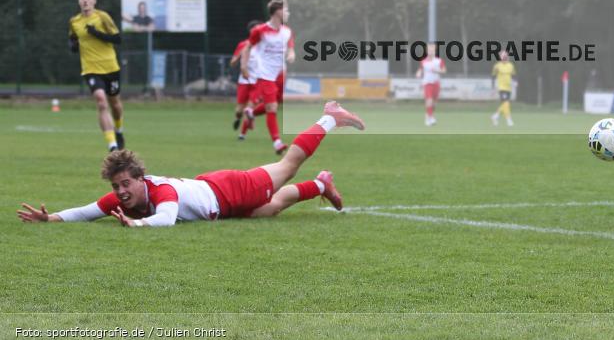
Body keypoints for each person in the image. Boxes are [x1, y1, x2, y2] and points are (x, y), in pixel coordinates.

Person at [17, 102, 365, 226]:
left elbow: (167, 220)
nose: (120, 192)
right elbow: (87, 211)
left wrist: (136, 226)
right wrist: (51, 218)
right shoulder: (125, 198)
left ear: (140, 179)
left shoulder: (161, 192)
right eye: (116, 186)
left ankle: (330, 118)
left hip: (229, 190)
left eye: (126, 184)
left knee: (288, 165)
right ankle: (321, 185)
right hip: (218, 198)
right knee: (270, 210)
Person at [68, 0, 126, 152]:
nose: (85, 0)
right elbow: (72, 40)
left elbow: (118, 38)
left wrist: (95, 33)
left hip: (110, 67)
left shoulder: (103, 17)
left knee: (115, 104)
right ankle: (112, 144)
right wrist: (73, 45)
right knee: (101, 101)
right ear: (79, 1)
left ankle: (119, 130)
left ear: (94, 1)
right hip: (90, 68)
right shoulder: (74, 21)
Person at [240, 0, 295, 154]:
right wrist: (244, 66)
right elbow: (247, 48)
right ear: (277, 12)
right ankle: (277, 143)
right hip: (265, 74)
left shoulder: (287, 31)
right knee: (272, 107)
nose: (288, 13)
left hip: (281, 73)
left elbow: (290, 48)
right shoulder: (260, 30)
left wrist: (291, 54)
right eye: (286, 10)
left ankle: (251, 112)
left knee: (277, 103)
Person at [230, 20, 262, 139]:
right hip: (244, 81)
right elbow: (232, 62)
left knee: (249, 108)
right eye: (256, 30)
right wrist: (237, 58)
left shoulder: (264, 45)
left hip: (258, 81)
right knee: (239, 110)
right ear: (251, 31)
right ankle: (238, 118)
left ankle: (242, 134)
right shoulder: (244, 45)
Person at [416, 43, 445, 126]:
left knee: (434, 103)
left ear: (435, 51)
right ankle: (431, 117)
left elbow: (443, 70)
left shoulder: (439, 61)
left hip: (436, 83)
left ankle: (428, 116)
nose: (430, 52)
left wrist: (437, 70)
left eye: (432, 50)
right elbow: (420, 69)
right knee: (429, 100)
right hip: (427, 83)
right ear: (427, 51)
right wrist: (418, 73)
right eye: (429, 50)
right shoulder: (423, 61)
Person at [491, 50, 517, 126]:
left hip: (509, 87)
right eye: (503, 56)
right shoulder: (497, 66)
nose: (505, 57)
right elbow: (493, 76)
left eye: (506, 56)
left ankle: (495, 116)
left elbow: (514, 75)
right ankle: (509, 120)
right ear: (500, 57)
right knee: (506, 103)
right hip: (501, 87)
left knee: (506, 104)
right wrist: (493, 87)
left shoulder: (511, 65)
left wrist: (515, 82)